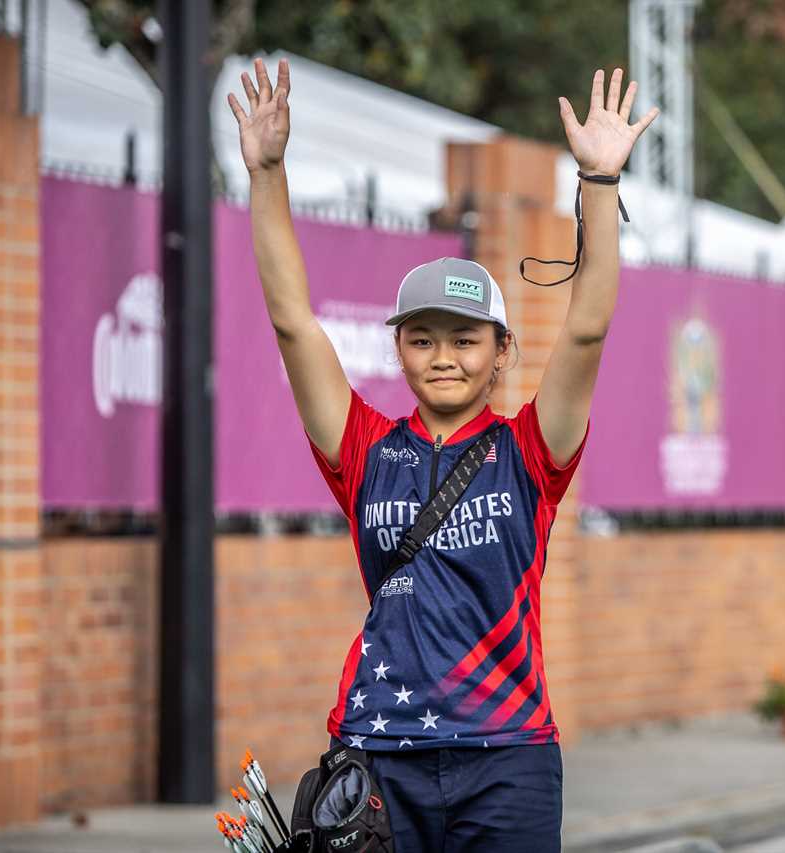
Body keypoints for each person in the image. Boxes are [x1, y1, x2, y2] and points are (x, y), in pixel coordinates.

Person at [227, 55, 657, 853]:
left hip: (510, 760)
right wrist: (266, 169)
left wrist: (598, 184)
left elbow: (589, 326)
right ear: (400, 352)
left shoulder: (531, 451)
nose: (444, 355)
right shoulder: (363, 451)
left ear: (501, 354)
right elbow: (293, 320)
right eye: (421, 338)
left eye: (466, 338)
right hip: (378, 762)